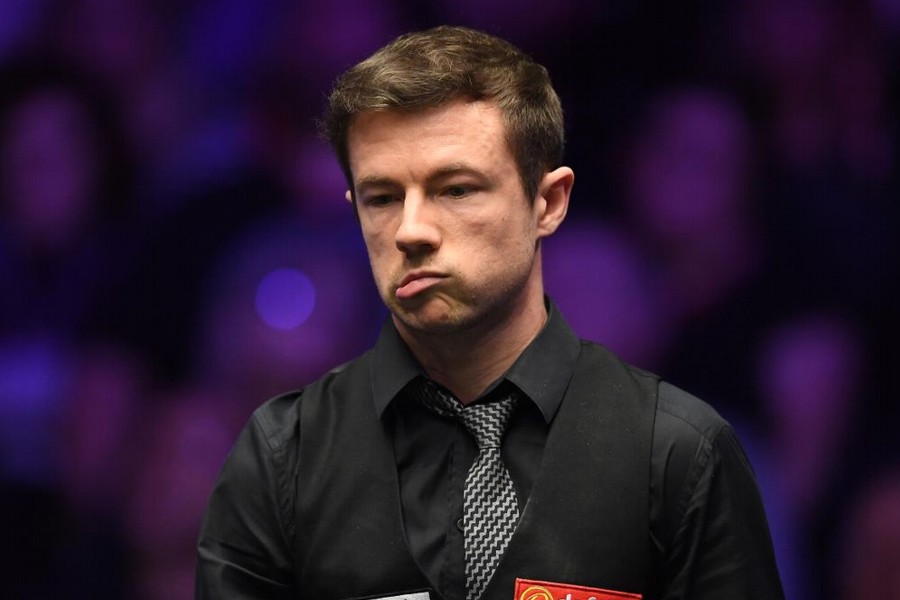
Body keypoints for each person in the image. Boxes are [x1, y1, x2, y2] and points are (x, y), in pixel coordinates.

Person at [196, 25, 784, 600]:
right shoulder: (284, 454)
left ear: (547, 203)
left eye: (456, 189)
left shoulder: (679, 453)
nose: (412, 231)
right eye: (383, 197)